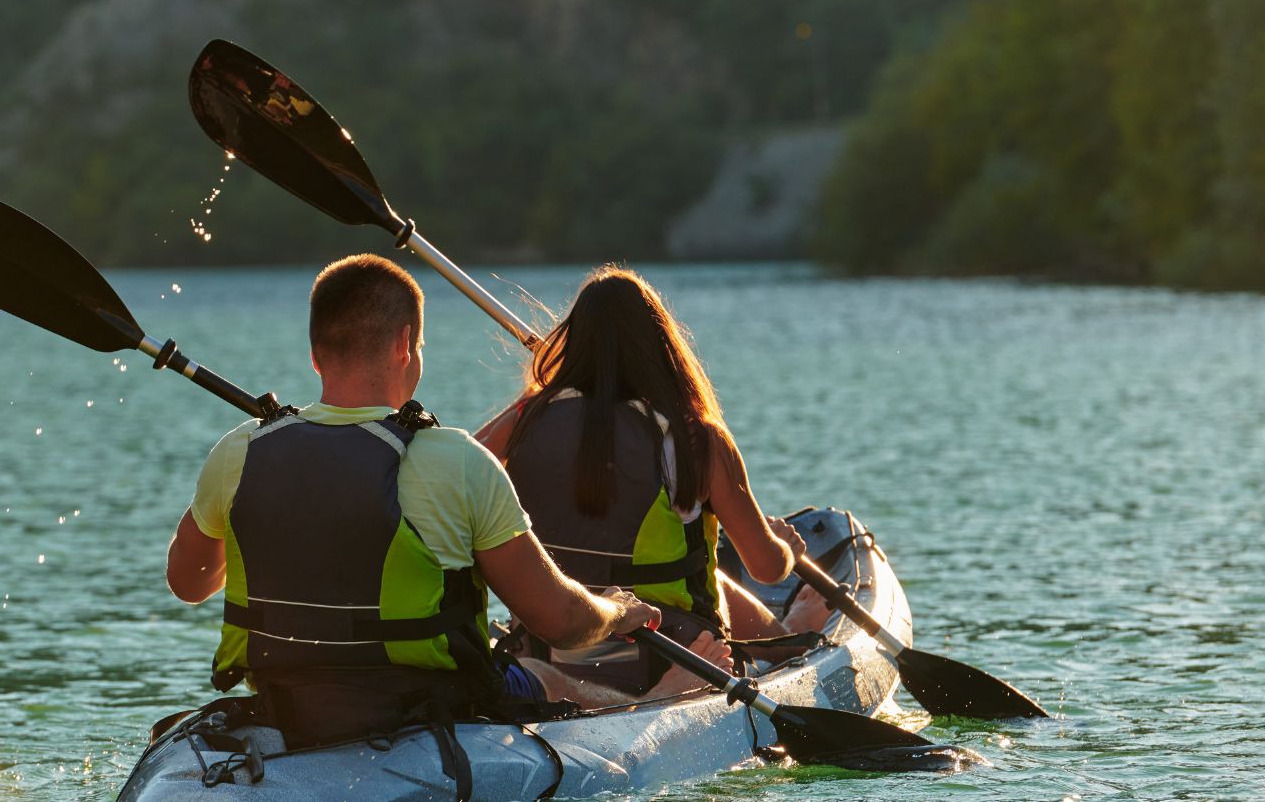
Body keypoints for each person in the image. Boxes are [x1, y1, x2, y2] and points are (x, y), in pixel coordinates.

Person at [164, 254, 698, 751]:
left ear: (314, 354)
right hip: (425, 706)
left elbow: (189, 584)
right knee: (549, 677)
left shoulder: (239, 452)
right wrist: (617, 613)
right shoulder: (456, 462)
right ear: (405, 344)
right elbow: (559, 621)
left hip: (286, 705)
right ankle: (656, 703)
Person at [476, 265, 819, 697]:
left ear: (573, 344)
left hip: (549, 641)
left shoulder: (527, 421)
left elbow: (459, 469)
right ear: (662, 346)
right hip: (668, 650)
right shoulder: (697, 438)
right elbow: (767, 568)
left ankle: (779, 636)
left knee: (710, 572)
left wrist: (537, 398)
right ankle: (786, 639)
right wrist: (788, 549)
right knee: (697, 570)